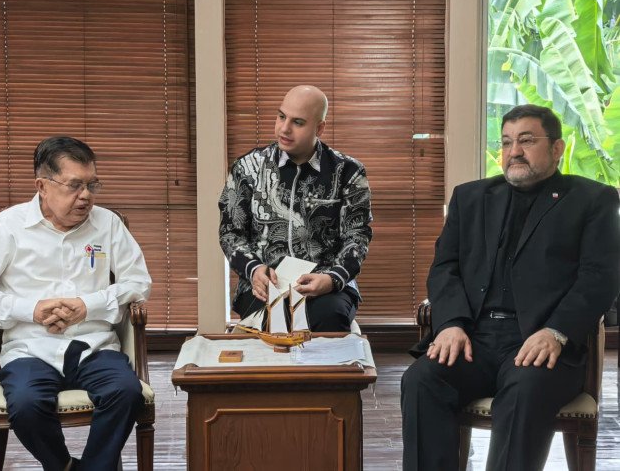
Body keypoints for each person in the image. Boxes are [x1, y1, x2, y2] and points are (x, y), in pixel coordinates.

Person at [401, 104, 620, 470]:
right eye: (506, 142)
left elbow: (600, 277)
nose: (514, 151)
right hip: (474, 337)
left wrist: (556, 331)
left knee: (524, 392)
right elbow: (444, 268)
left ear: (557, 148)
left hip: (540, 341)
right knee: (422, 380)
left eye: (527, 140)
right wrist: (451, 323)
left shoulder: (592, 200)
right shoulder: (470, 198)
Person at [0, 136, 152, 471]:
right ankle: (65, 466)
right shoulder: (8, 226)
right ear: (42, 186)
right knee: (26, 404)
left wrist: (86, 305)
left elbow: (139, 283)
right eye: (75, 185)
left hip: (94, 346)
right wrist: (31, 310)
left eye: (92, 184)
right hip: (30, 348)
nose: (86, 196)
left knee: (125, 392)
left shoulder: (108, 224)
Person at [219, 85, 373, 332]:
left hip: (327, 286)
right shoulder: (246, 168)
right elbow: (230, 233)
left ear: (319, 128)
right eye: (281, 116)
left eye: (298, 122)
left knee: (328, 319)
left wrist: (332, 279)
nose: (284, 128)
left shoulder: (349, 172)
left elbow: (357, 236)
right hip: (264, 285)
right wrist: (254, 270)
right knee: (272, 324)